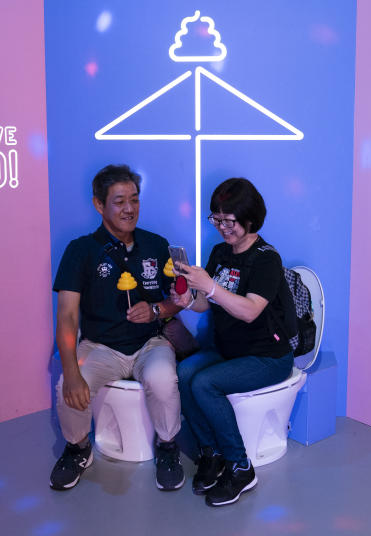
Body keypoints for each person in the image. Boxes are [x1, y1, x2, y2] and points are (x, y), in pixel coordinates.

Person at [50, 164, 184, 491]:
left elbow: (180, 299)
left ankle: (168, 447)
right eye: (120, 201)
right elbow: (67, 315)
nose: (129, 209)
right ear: (99, 205)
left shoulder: (156, 244)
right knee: (65, 392)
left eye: (135, 200)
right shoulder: (80, 250)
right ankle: (78, 448)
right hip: (100, 347)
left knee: (162, 380)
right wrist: (71, 371)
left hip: (150, 343)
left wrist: (155, 310)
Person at [172, 177, 295, 507]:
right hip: (228, 351)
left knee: (205, 384)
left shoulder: (266, 258)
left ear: (250, 218)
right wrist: (187, 299)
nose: (223, 227)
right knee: (184, 374)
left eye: (230, 220)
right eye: (217, 218)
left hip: (268, 357)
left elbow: (251, 310)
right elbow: (205, 303)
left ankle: (241, 467)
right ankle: (210, 454)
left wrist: (209, 286)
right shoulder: (219, 253)